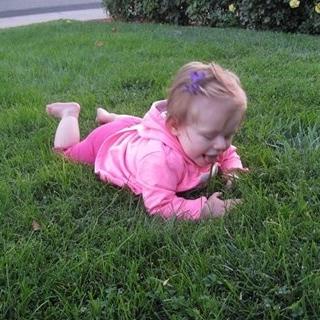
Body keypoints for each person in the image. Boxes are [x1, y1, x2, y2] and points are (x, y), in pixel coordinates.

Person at [46, 61, 248, 220]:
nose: (222, 144)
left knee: (136, 125)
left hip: (136, 131)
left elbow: (228, 153)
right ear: (174, 127)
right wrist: (203, 210)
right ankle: (69, 113)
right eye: (210, 135)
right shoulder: (160, 159)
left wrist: (233, 169)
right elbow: (159, 205)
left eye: (229, 134)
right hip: (111, 142)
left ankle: (112, 117)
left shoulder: (212, 136)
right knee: (66, 153)